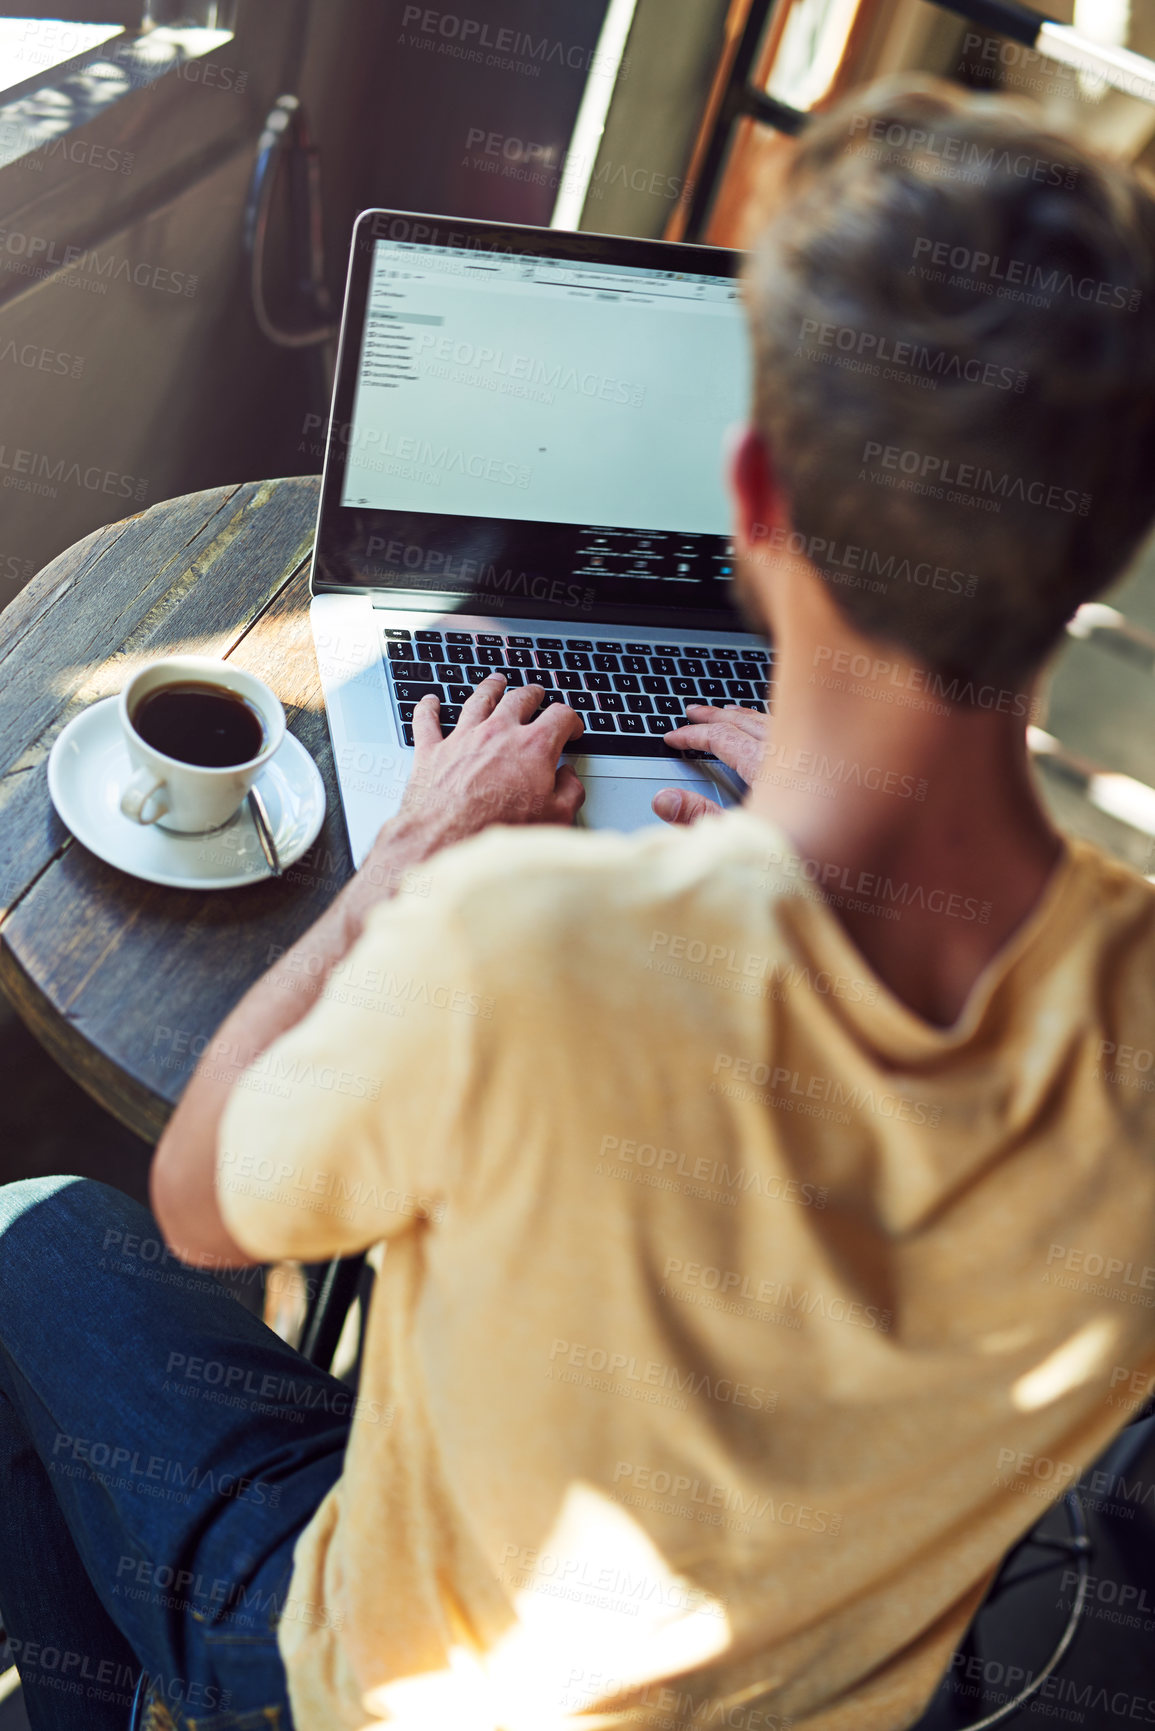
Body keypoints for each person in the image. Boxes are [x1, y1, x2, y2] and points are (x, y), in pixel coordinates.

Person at [3, 71, 1155, 1731]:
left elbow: (202, 1202)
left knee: (36, 1243)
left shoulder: (524, 947)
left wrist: (403, 872)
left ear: (751, 501)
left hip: (405, 1693)